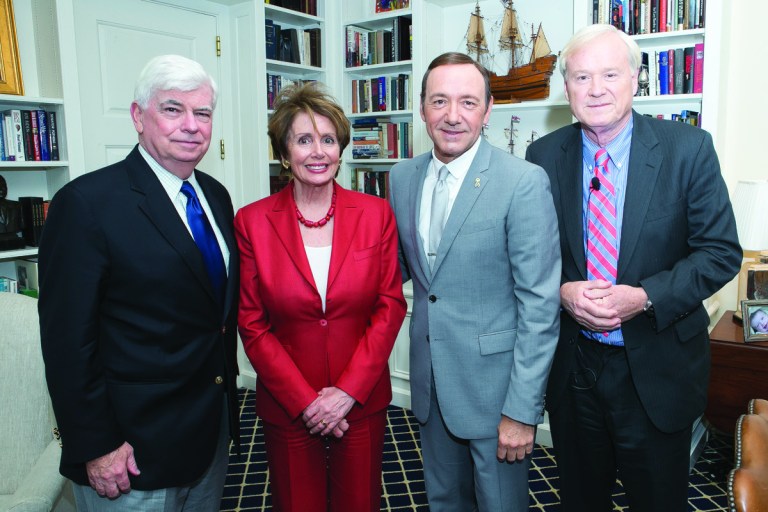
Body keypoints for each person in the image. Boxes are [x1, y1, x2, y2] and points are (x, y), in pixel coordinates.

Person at [525, 24, 742, 512]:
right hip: (573, 369)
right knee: (580, 500)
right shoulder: (543, 156)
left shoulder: (688, 149)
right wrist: (562, 291)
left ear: (635, 79)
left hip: (658, 368)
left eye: (609, 74)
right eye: (581, 77)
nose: (595, 89)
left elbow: (720, 252)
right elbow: (530, 255)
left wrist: (644, 297)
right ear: (566, 88)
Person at [38, 54, 240, 511]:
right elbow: (67, 343)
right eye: (172, 109)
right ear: (138, 116)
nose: (191, 125)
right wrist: (96, 445)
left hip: (208, 434)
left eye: (203, 112)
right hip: (130, 453)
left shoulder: (215, 195)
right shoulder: (85, 204)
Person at [388, 52, 562, 511]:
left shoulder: (523, 182)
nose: (452, 115)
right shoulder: (402, 178)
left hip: (496, 396)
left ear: (487, 111)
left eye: (467, 102)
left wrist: (522, 411)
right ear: (422, 108)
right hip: (431, 386)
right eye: (439, 101)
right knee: (444, 502)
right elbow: (399, 272)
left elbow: (539, 307)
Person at [235, 83, 406, 512]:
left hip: (360, 400)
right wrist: (306, 402)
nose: (318, 152)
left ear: (341, 148)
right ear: (284, 151)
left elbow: (389, 307)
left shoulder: (376, 214)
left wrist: (347, 391)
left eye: (328, 140)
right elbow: (252, 323)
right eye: (303, 140)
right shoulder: (252, 222)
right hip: (288, 404)